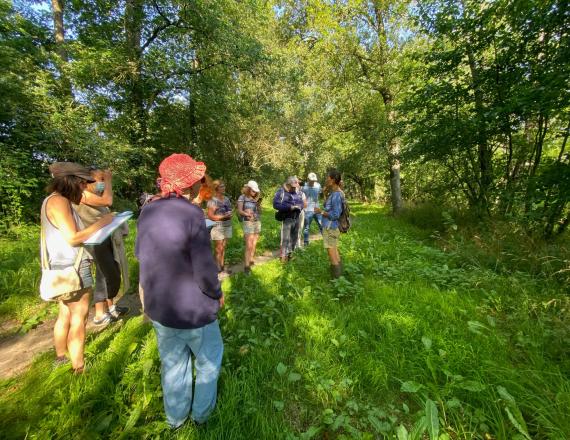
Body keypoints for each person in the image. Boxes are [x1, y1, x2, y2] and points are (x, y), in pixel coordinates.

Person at [135, 153, 224, 429]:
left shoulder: (147, 210)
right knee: (208, 362)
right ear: (189, 184)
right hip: (193, 308)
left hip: (160, 306)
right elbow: (203, 266)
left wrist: (146, 303)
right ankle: (201, 417)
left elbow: (142, 256)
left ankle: (175, 420)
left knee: (173, 365)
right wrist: (216, 293)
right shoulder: (191, 213)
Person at [42, 162, 114, 373]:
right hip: (73, 266)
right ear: (70, 181)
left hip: (59, 266)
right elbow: (73, 238)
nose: (84, 187)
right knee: (79, 317)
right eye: (82, 183)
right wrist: (104, 222)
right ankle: (79, 368)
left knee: (65, 312)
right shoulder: (59, 202)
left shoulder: (51, 200)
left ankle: (61, 356)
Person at [74, 168, 130, 326]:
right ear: (87, 181)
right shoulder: (83, 194)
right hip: (95, 240)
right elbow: (108, 201)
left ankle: (111, 307)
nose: (102, 183)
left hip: (104, 236)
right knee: (104, 274)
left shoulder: (93, 195)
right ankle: (99, 314)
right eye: (100, 179)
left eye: (104, 179)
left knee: (111, 270)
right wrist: (109, 182)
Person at [314, 169, 344, 278]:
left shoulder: (336, 195)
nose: (326, 179)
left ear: (332, 180)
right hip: (332, 227)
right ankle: (341, 278)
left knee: (332, 255)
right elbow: (329, 206)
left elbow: (335, 214)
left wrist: (320, 211)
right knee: (335, 252)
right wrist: (325, 193)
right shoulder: (336, 192)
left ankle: (337, 283)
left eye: (328, 177)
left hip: (330, 227)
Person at [273, 176, 304, 262]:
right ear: (290, 184)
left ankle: (290, 255)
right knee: (285, 239)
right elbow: (275, 205)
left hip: (296, 218)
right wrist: (290, 207)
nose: (297, 186)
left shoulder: (296, 192)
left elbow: (301, 203)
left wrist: (299, 207)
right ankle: (283, 258)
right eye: (295, 185)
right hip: (287, 219)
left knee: (294, 238)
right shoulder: (281, 192)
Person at [207, 180, 233, 273]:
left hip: (227, 225)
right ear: (216, 188)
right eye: (222, 186)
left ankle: (222, 266)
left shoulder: (226, 199)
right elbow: (210, 216)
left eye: (224, 186)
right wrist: (223, 217)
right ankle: (216, 268)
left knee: (224, 247)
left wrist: (230, 213)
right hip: (217, 226)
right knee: (218, 248)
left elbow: (229, 210)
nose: (224, 188)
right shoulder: (212, 200)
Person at [237, 180, 262, 274]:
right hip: (248, 222)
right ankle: (246, 267)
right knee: (249, 244)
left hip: (257, 222)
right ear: (248, 189)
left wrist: (258, 206)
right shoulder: (242, 197)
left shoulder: (255, 198)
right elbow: (239, 211)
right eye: (253, 190)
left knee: (254, 242)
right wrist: (246, 213)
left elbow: (259, 212)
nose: (255, 192)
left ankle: (251, 260)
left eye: (256, 191)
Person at [302, 172, 323, 246]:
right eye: (311, 180)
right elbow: (302, 198)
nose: (313, 181)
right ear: (308, 179)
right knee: (306, 227)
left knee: (321, 225)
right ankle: (306, 244)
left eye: (314, 180)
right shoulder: (304, 188)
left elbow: (320, 194)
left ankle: (326, 242)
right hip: (307, 210)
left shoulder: (318, 186)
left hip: (317, 209)